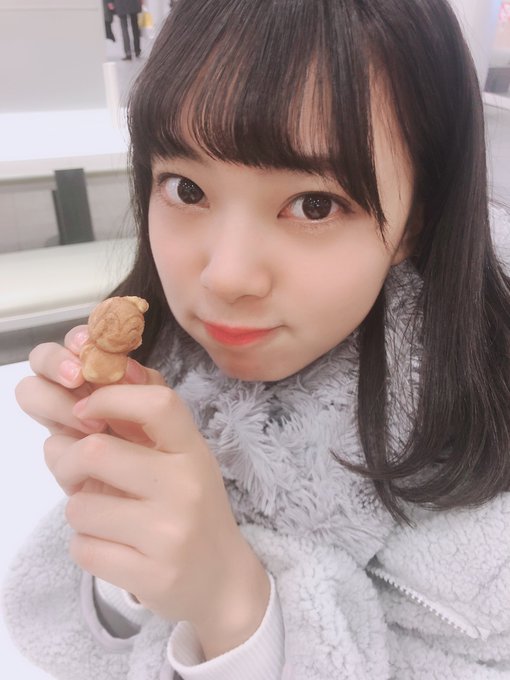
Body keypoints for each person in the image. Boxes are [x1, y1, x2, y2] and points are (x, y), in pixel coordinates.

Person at [3, 0, 510, 678]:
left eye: (314, 205)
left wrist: (233, 607)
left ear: (416, 219)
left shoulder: (483, 492)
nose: (226, 276)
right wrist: (124, 543)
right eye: (186, 189)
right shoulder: (167, 360)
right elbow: (76, 641)